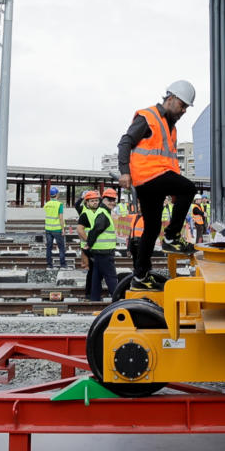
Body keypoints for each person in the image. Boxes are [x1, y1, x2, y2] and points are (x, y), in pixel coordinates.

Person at [117, 80, 198, 289]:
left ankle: (140, 277)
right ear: (170, 99)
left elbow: (169, 159)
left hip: (156, 180)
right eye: (182, 106)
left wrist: (174, 191)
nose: (183, 111)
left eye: (186, 108)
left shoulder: (171, 128)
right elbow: (125, 142)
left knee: (152, 229)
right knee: (189, 189)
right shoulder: (149, 117)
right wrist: (124, 172)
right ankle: (171, 236)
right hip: (149, 177)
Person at [82, 188, 120, 300]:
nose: (112, 202)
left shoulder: (102, 211)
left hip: (99, 251)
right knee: (111, 277)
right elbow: (96, 230)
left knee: (96, 277)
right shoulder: (103, 213)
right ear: (103, 199)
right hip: (104, 252)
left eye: (114, 200)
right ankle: (117, 300)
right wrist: (89, 243)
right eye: (110, 199)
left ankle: (94, 299)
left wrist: (89, 245)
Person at [75, 190, 99, 294]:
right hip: (88, 242)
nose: (95, 202)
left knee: (94, 270)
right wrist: (82, 197)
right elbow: (80, 229)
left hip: (97, 244)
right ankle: (90, 292)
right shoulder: (83, 211)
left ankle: (92, 291)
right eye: (92, 200)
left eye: (96, 200)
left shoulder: (100, 211)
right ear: (87, 202)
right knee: (91, 267)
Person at [43, 186, 67, 269]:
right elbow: (60, 218)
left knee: (49, 247)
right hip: (57, 229)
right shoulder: (59, 204)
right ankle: (63, 265)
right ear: (57, 194)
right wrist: (63, 229)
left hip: (48, 229)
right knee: (61, 247)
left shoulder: (47, 204)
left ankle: (49, 265)